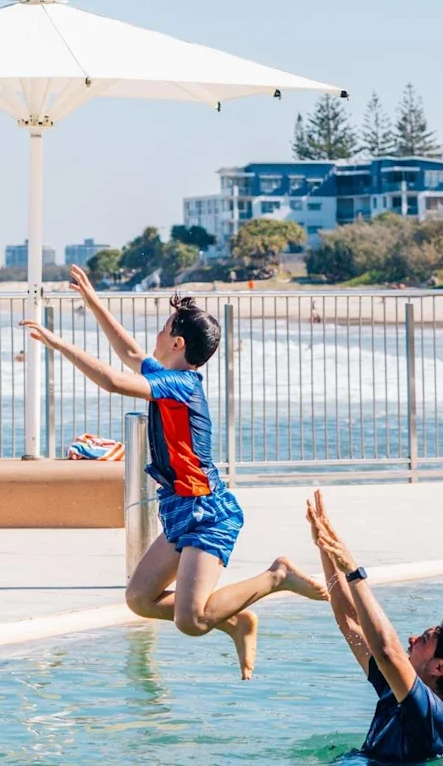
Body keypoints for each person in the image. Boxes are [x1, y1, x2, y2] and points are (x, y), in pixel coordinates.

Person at [21, 265, 326, 678]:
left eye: (164, 329)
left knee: (191, 621)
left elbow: (113, 381)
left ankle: (277, 575)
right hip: (179, 509)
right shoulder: (170, 377)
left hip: (207, 512)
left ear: (177, 343)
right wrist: (93, 303)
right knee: (139, 599)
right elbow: (130, 354)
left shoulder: (181, 385)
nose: (157, 334)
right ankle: (235, 620)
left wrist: (59, 344)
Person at [306, 490, 443, 762]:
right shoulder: (394, 690)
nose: (411, 639)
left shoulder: (433, 719)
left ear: (439, 667)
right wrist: (326, 548)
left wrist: (354, 572)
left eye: (424, 640)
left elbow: (388, 652)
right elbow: (349, 621)